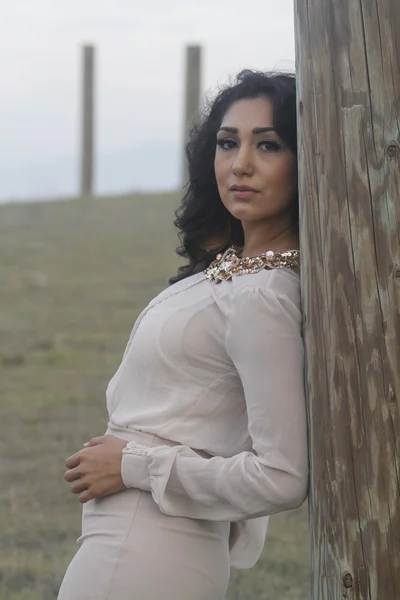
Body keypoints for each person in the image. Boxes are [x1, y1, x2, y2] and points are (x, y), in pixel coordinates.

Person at [58, 69, 308, 600]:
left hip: (150, 552)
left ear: (306, 162)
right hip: (137, 543)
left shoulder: (264, 295)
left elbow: (283, 475)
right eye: (227, 142)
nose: (240, 163)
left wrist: (133, 464)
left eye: (268, 144)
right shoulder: (234, 269)